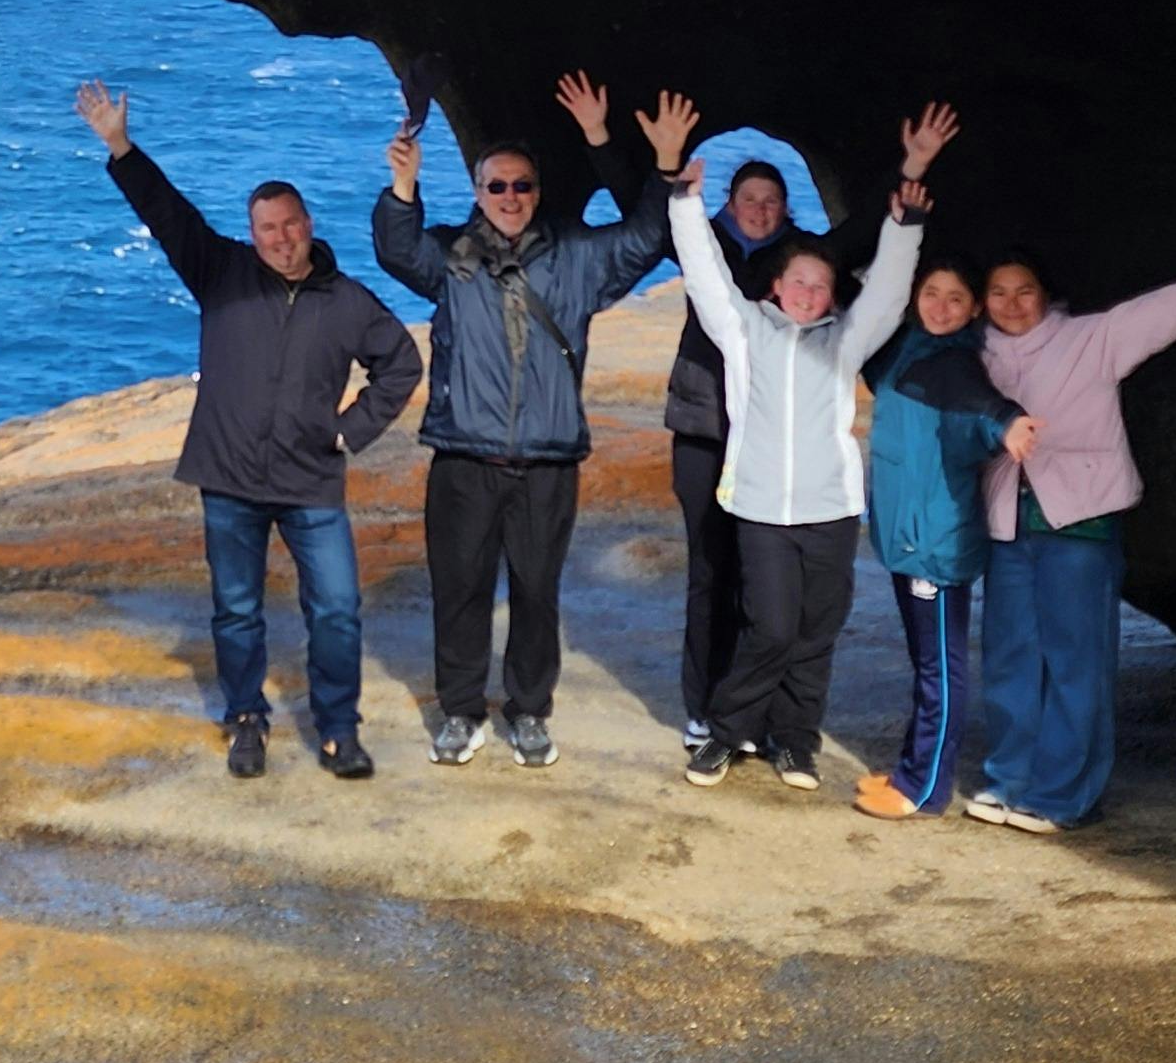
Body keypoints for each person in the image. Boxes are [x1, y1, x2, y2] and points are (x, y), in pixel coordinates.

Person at [77, 82, 423, 780]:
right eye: (267, 228)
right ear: (253, 232)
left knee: (337, 612)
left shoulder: (348, 300)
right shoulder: (222, 272)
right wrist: (119, 144)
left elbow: (402, 363)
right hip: (229, 479)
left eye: (290, 224)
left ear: (308, 222)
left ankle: (338, 729)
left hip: (311, 482)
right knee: (236, 611)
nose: (281, 238)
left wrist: (349, 432)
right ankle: (245, 721)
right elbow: (167, 213)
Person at [374, 72, 692, 768]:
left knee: (536, 595)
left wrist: (663, 164)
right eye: (496, 187)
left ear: (537, 193)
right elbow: (396, 249)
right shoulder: (451, 258)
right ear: (478, 194)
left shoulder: (578, 258)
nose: (510, 198)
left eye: (521, 186)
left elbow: (644, 236)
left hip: (548, 459)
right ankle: (461, 712)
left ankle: (528, 712)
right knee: (458, 592)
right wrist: (403, 187)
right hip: (462, 456)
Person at [967, 235, 1176, 831]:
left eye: (1024, 290)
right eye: (999, 292)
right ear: (983, 301)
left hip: (1078, 523)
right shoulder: (973, 354)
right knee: (1011, 658)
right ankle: (1009, 780)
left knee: (1075, 660)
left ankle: (1063, 797)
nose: (1012, 303)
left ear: (1045, 295)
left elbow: (1156, 316)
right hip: (1007, 524)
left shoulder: (1089, 338)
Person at [663, 146, 925, 792]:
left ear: (832, 294)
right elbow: (703, 275)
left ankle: (795, 744)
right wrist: (685, 200)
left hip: (830, 511)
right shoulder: (745, 330)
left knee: (815, 635)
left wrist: (904, 227)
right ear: (775, 286)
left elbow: (890, 295)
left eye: (820, 284)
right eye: (798, 282)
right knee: (771, 628)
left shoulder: (845, 339)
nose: (808, 293)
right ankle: (726, 733)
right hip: (760, 510)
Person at [851, 241, 1041, 823]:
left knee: (940, 666)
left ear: (973, 310)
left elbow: (982, 404)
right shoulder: (909, 348)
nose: (941, 306)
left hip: (936, 542)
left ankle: (924, 788)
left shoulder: (957, 362)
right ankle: (914, 765)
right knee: (925, 660)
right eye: (932, 293)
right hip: (908, 536)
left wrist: (1008, 424)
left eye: (955, 298)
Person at [656, 158, 794, 762]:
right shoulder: (698, 242)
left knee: (762, 578)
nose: (759, 210)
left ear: (784, 209)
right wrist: (655, 165)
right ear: (729, 203)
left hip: (769, 435)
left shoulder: (798, 260)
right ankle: (703, 707)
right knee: (710, 570)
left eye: (770, 200)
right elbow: (644, 218)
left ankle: (753, 709)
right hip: (703, 429)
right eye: (748, 199)